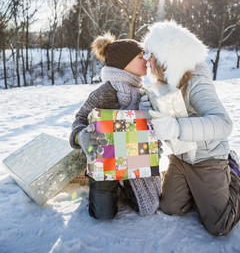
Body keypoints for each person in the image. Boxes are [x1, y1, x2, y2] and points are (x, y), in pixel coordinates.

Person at [142, 20, 240, 236]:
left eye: (151, 55)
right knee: (170, 208)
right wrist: (149, 111)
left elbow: (224, 123)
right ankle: (201, 192)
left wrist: (176, 128)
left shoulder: (196, 82)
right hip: (181, 158)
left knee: (219, 225)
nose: (147, 60)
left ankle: (234, 173)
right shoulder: (164, 82)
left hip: (209, 158)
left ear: (166, 57)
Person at [69, 33, 161, 220]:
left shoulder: (145, 93)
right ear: (123, 63)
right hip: (105, 159)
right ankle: (102, 185)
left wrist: (152, 120)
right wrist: (82, 137)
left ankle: (124, 185)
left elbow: (157, 128)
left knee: (147, 207)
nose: (146, 60)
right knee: (104, 214)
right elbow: (79, 119)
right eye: (140, 56)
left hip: (134, 159)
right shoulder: (105, 92)